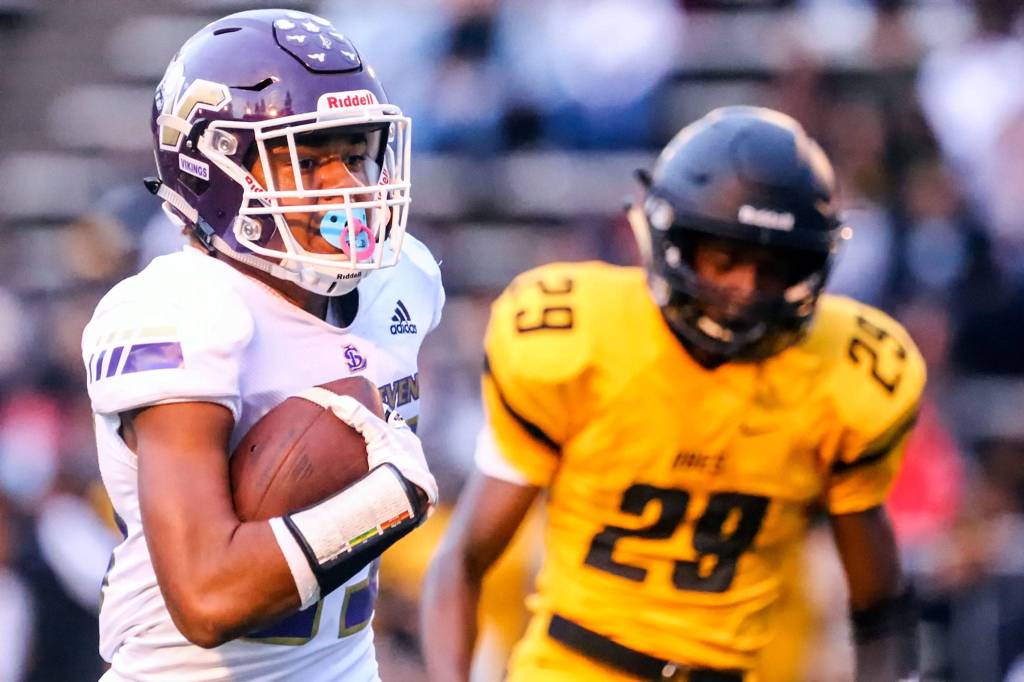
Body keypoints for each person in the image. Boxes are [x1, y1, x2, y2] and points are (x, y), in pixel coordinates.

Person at [422, 107, 923, 682]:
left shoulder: (846, 374)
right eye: (723, 258)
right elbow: (461, 564)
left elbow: (880, 606)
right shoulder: (580, 343)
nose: (744, 290)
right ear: (668, 237)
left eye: (773, 266)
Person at [81, 9, 443, 681]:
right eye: (308, 160)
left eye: (356, 152)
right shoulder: (181, 309)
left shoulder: (405, 280)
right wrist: (386, 500)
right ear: (212, 170)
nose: (349, 187)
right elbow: (208, 599)